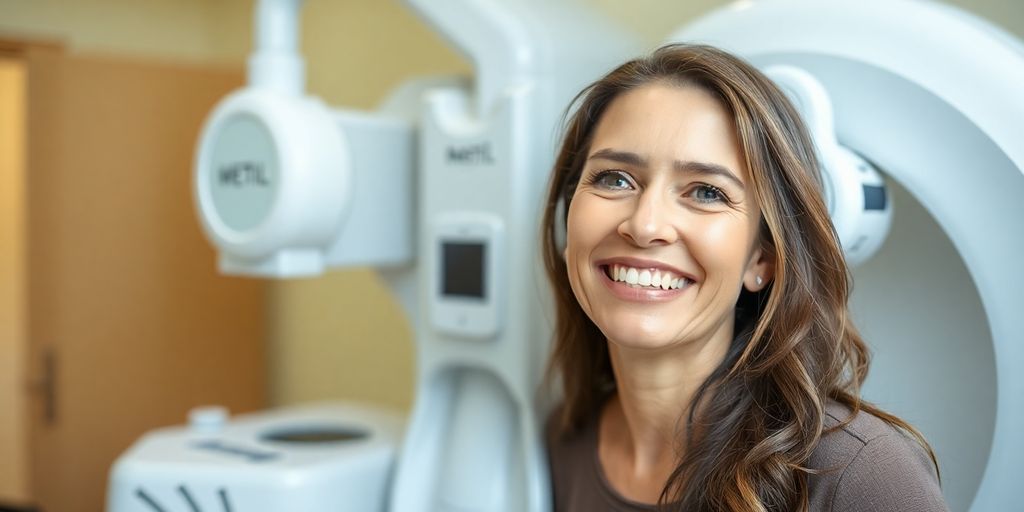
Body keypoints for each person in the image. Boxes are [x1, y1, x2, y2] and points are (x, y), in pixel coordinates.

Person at [541, 44, 948, 512]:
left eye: (707, 192)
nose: (645, 224)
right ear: (569, 224)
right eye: (615, 179)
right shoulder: (559, 444)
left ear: (764, 260)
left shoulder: (860, 476)